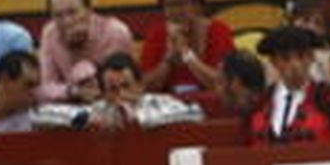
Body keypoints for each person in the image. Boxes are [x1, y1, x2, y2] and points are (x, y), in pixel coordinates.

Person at [248, 25, 330, 144]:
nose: (295, 65)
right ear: (274, 62)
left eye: (301, 56)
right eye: (285, 58)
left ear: (311, 58)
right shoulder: (260, 102)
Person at [34, 51, 204, 129]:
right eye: (112, 89)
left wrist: (139, 119)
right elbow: (39, 115)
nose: (120, 95)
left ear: (140, 86)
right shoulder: (99, 109)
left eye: (126, 86)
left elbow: (195, 114)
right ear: (103, 92)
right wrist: (86, 119)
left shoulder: (157, 103)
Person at [139, 0, 236, 94]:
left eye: (182, 4)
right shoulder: (156, 34)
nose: (176, 12)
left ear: (197, 4)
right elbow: (144, 87)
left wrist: (187, 55)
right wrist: (168, 60)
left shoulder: (219, 31)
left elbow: (224, 85)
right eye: (169, 5)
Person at [37, 0, 133, 102]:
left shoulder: (115, 32)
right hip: (68, 106)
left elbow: (125, 84)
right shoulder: (50, 33)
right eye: (58, 15)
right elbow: (45, 87)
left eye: (72, 12)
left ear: (89, 10)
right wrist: (73, 91)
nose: (67, 21)